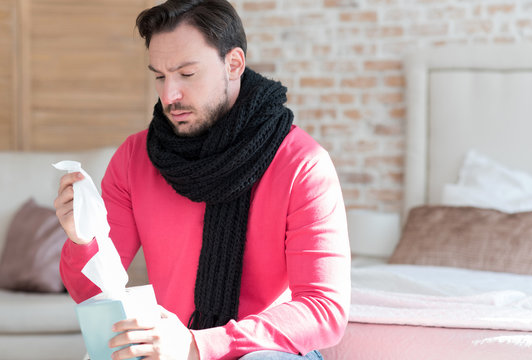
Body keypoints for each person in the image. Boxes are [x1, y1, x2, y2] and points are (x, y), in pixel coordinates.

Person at [55, 0, 350, 359]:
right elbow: (94, 294)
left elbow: (324, 309)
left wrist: (198, 345)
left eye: (187, 74)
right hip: (168, 348)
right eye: (160, 76)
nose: (169, 95)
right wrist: (82, 238)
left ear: (233, 64)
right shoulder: (135, 158)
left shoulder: (302, 163)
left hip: (262, 349)